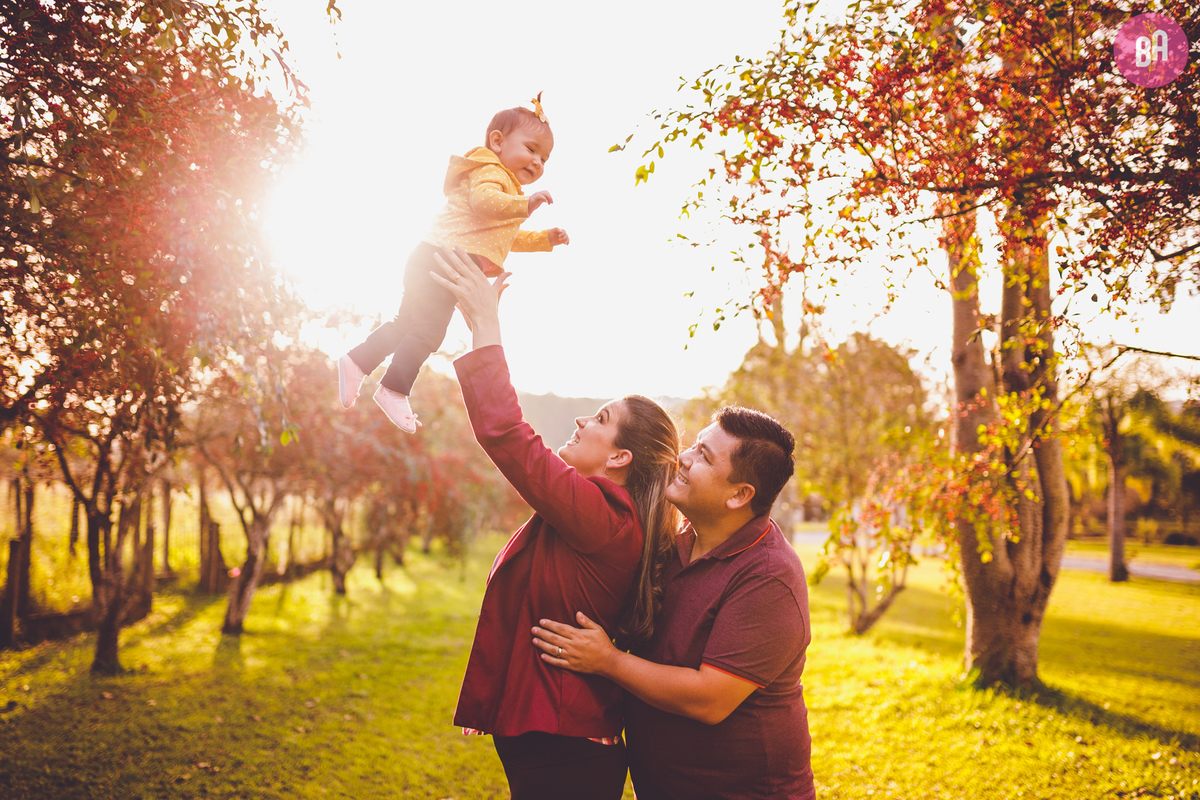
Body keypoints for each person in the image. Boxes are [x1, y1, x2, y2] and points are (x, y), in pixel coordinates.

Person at [429, 245, 680, 800]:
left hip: (565, 748)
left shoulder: (606, 516)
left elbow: (508, 437)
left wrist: (486, 329)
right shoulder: (601, 515)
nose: (581, 419)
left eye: (601, 418)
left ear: (620, 458)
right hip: (557, 742)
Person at [532, 406, 816, 800]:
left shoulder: (769, 576)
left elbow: (710, 698)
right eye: (695, 445)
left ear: (739, 495)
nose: (682, 457)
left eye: (704, 456)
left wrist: (607, 660)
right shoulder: (672, 542)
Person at [338, 94, 569, 432]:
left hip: (431, 258)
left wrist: (544, 239)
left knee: (408, 325)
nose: (538, 162)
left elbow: (505, 239)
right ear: (497, 141)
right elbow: (484, 202)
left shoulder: (507, 189)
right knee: (429, 331)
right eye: (532, 149)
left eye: (545, 158)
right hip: (441, 260)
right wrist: (525, 204)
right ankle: (393, 389)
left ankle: (357, 361)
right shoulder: (491, 172)